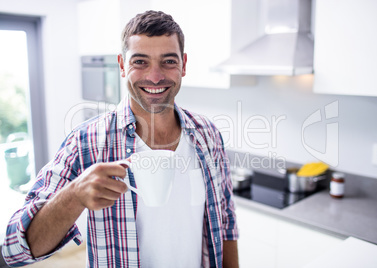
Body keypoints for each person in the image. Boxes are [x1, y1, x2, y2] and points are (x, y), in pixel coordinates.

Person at [2, 10, 238, 268]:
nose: (156, 76)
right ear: (122, 65)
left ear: (184, 64)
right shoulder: (86, 142)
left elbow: (225, 223)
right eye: (140, 62)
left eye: (168, 61)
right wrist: (74, 195)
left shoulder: (208, 134)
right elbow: (16, 250)